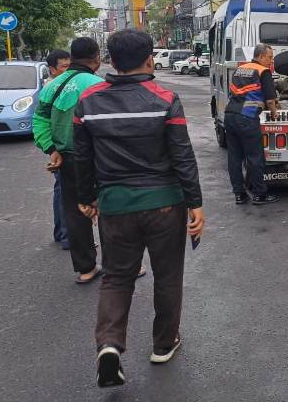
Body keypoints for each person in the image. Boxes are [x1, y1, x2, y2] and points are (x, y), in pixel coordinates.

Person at [73, 29, 204, 388]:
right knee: (167, 276)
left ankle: (110, 346)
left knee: (116, 278)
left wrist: (85, 197)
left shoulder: (89, 101)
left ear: (111, 60)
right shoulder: (164, 98)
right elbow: (182, 156)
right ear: (149, 59)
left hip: (115, 207)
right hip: (165, 205)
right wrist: (195, 203)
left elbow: (82, 157)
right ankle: (164, 343)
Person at [33, 38, 103, 282]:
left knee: (74, 212)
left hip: (66, 158)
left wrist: (51, 148)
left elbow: (39, 120)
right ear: (96, 58)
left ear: (72, 58)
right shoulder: (99, 85)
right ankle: (123, 266)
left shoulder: (52, 86)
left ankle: (86, 269)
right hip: (100, 158)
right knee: (108, 208)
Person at [224, 43, 279, 205]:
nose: (271, 61)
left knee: (234, 157)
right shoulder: (263, 71)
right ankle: (259, 194)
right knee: (255, 157)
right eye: (269, 57)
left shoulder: (241, 69)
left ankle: (239, 195)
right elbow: (270, 99)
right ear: (261, 56)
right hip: (247, 118)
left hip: (230, 116)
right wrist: (274, 112)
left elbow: (233, 91)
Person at [44, 49, 71, 250]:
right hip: (61, 150)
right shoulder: (52, 89)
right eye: (64, 67)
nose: (69, 71)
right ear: (52, 70)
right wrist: (52, 149)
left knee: (60, 189)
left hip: (60, 149)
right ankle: (67, 235)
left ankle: (61, 232)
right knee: (65, 191)